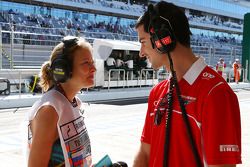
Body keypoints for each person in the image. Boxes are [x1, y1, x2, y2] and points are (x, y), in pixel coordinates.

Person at [133, 2, 241, 167]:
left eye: (143, 42)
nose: (141, 52)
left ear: (162, 39)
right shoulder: (157, 92)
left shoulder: (216, 94)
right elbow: (145, 153)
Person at [26, 36, 96, 167]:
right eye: (86, 63)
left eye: (93, 62)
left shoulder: (74, 103)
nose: (94, 69)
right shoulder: (49, 111)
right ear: (63, 69)